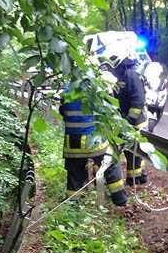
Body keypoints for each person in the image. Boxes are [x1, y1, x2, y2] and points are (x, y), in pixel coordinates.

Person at [60, 89, 128, 206]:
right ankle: (120, 199)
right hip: (94, 141)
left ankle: (72, 204)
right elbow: (111, 110)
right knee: (111, 164)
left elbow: (62, 112)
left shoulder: (67, 89)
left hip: (72, 143)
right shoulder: (97, 87)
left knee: (74, 174)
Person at [98, 45, 149, 185]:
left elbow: (137, 102)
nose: (109, 69)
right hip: (127, 123)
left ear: (116, 61)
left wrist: (128, 121)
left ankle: (135, 181)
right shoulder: (123, 76)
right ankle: (139, 177)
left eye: (109, 66)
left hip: (136, 123)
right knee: (131, 153)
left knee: (133, 154)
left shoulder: (131, 76)